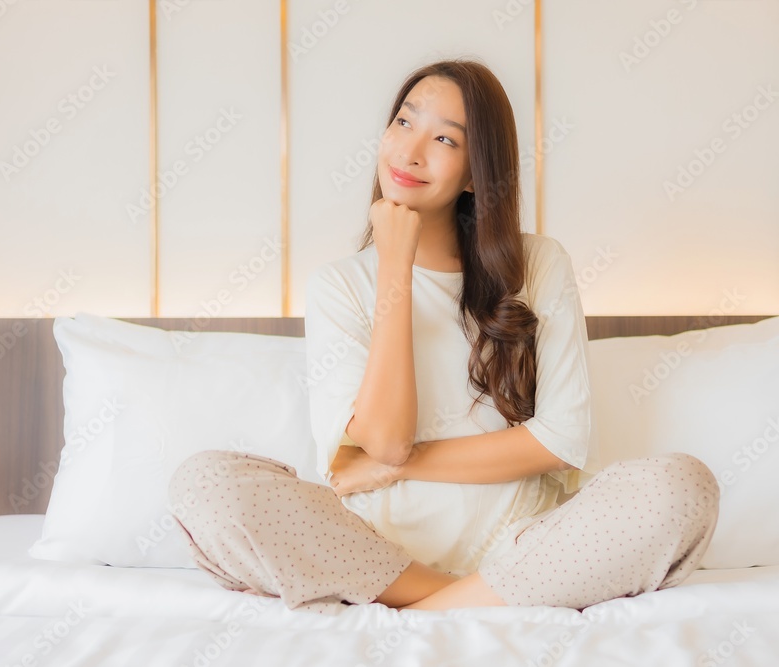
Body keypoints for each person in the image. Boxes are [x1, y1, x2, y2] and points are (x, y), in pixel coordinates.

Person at [168, 59, 719, 614]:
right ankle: (460, 601)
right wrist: (394, 268)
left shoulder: (540, 264)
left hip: (524, 548)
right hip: (376, 554)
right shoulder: (339, 285)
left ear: (477, 172)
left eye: (444, 139)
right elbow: (385, 439)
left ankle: (429, 610)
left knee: (680, 487)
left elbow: (559, 441)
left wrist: (398, 465)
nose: (409, 152)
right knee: (206, 485)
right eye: (404, 123)